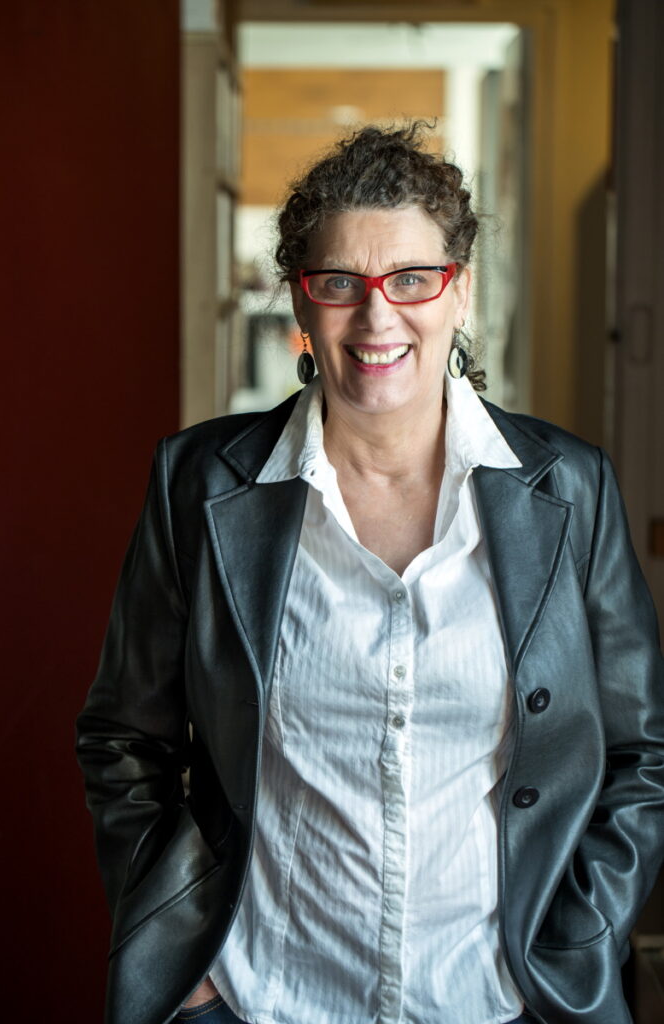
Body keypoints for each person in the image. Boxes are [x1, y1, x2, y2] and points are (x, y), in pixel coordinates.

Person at [76, 123, 664, 1024]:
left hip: (496, 1000)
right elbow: (124, 739)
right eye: (340, 282)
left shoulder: (569, 489)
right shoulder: (198, 486)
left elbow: (638, 754)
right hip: (264, 998)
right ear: (300, 300)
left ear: (458, 292)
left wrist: (570, 945)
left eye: (412, 279)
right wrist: (190, 965)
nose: (377, 316)